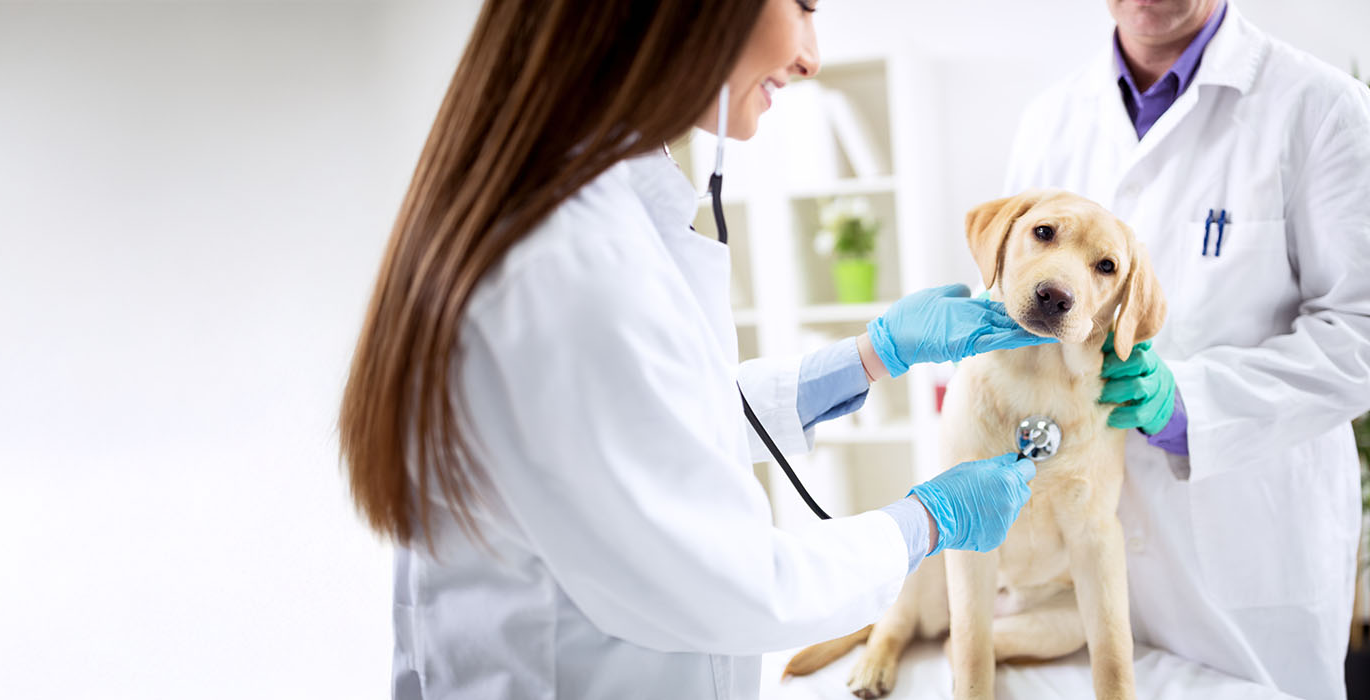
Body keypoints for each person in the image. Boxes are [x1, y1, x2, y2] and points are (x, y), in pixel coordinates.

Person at [336, 1, 1052, 697]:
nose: (810, 57)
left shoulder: (602, 207)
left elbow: (648, 429)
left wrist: (870, 357)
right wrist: (929, 520)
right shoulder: (563, 264)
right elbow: (731, 583)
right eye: (802, 5)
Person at [1005, 2, 1370, 698]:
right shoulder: (1050, 119)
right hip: (1072, 562)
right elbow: (1017, 298)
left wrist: (1189, 407)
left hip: (1242, 564)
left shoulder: (1320, 107)